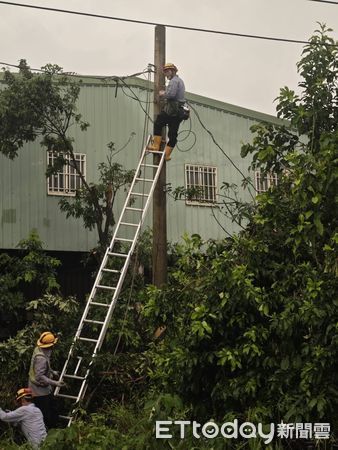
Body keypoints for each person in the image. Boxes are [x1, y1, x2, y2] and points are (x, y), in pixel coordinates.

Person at [148, 63, 186, 161]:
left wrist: (162, 93)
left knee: (158, 123)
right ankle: (166, 155)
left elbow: (172, 95)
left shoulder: (174, 81)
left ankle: (156, 146)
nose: (166, 73)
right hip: (178, 111)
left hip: (172, 110)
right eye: (165, 72)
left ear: (173, 71)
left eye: (168, 71)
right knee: (173, 134)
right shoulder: (179, 81)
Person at [28, 331, 64, 429]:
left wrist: (52, 372)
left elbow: (43, 367)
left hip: (43, 389)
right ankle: (48, 434)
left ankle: (54, 427)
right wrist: (55, 383)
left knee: (53, 408)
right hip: (39, 391)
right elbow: (39, 376)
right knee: (46, 415)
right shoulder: (41, 358)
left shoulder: (38, 349)